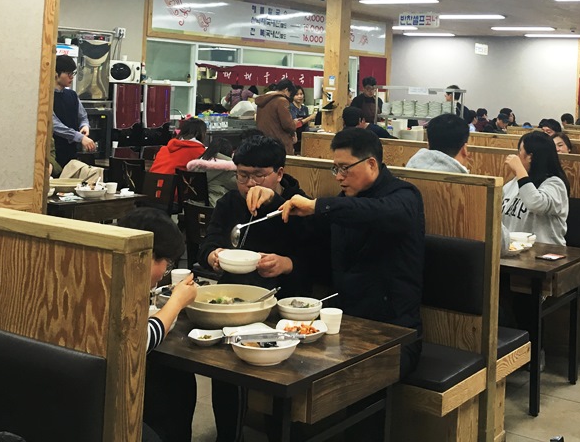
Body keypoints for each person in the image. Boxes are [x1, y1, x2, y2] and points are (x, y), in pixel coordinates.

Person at [280, 128, 425, 377]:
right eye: (335, 169)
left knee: (337, 376)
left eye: (345, 168)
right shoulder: (344, 202)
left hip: (395, 333)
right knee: (287, 362)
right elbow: (314, 233)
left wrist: (318, 205)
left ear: (371, 164)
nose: (339, 177)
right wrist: (274, 198)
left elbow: (376, 212)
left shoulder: (404, 197)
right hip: (345, 325)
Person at [198, 135, 312, 442]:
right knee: (224, 369)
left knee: (280, 375)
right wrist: (213, 255)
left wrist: (287, 263)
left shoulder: (298, 205)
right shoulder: (230, 202)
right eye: (242, 175)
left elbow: (318, 260)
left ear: (279, 172)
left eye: (258, 175)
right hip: (233, 301)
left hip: (282, 302)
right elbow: (209, 241)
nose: (249, 184)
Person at [117, 208, 199, 442]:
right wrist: (176, 302)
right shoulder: (114, 286)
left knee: (173, 374)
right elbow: (139, 340)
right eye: (166, 263)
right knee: (174, 380)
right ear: (147, 255)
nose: (164, 273)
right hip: (105, 403)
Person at [501, 130, 569, 245]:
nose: (517, 156)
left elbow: (535, 203)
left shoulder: (556, 184)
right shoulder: (513, 183)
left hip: (546, 251)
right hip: (513, 249)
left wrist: (519, 169)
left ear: (530, 157)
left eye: (520, 151)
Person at [52, 55, 97, 165]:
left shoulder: (72, 95)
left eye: (73, 73)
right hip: (55, 151)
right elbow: (54, 125)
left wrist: (84, 125)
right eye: (68, 73)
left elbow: (83, 116)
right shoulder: (47, 98)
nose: (72, 77)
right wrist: (79, 137)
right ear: (56, 74)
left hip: (72, 151)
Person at [185, 137, 238, 206]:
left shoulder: (198, 164)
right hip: (214, 206)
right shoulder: (226, 169)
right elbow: (239, 185)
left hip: (193, 205)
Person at [254, 77, 297, 154]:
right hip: (279, 144)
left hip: (263, 143)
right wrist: (294, 124)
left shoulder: (262, 100)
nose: (289, 97)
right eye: (290, 94)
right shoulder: (281, 101)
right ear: (286, 90)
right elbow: (287, 125)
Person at [290, 85, 312, 152]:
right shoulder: (290, 107)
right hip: (295, 137)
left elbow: (307, 124)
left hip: (305, 136)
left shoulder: (305, 108)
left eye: (301, 94)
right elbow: (296, 124)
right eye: (297, 94)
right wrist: (310, 118)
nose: (300, 96)